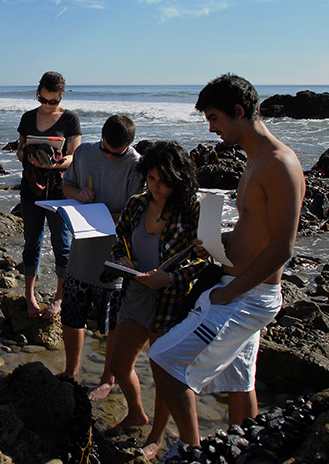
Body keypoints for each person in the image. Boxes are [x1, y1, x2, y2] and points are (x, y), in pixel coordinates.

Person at [149, 74, 306, 448]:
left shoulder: (279, 165)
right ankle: (244, 451)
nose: (211, 128)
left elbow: (282, 248)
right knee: (240, 381)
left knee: (165, 361)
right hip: (238, 288)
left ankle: (193, 451)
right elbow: (256, 232)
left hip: (246, 296)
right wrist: (218, 243)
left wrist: (229, 293)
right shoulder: (255, 162)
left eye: (215, 118)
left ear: (239, 112)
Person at [107, 141, 205, 460]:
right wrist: (123, 260)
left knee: (163, 372)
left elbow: (205, 260)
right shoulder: (137, 204)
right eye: (150, 178)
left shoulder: (192, 209)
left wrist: (170, 278)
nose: (155, 186)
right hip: (135, 297)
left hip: (171, 303)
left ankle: (156, 436)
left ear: (178, 179)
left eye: (162, 180)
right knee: (120, 365)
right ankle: (136, 412)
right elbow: (118, 244)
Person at [56, 115, 143, 394]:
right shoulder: (84, 152)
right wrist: (77, 193)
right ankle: (71, 371)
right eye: (106, 149)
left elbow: (136, 214)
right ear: (101, 138)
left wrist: (107, 215)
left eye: (117, 153)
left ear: (129, 145)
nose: (110, 155)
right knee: (72, 315)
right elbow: (67, 186)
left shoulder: (137, 165)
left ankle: (109, 377)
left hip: (116, 257)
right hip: (82, 252)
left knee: (115, 323)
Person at [16, 71, 82, 319]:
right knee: (32, 241)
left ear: (61, 96)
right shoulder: (27, 118)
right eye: (42, 100)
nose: (47, 105)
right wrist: (29, 156)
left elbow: (74, 157)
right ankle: (30, 296)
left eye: (53, 101)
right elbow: (19, 151)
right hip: (31, 188)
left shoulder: (70, 120)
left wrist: (54, 164)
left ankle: (59, 297)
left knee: (62, 244)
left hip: (59, 190)